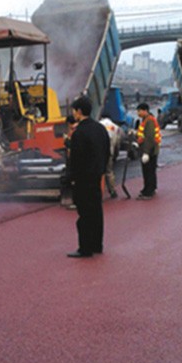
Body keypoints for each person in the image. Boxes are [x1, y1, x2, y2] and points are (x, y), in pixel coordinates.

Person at [67, 95, 110, 258]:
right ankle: (97, 245)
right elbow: (107, 152)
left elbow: (76, 160)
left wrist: (71, 177)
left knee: (84, 215)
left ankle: (85, 248)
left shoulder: (79, 133)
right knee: (96, 212)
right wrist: (102, 170)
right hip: (96, 177)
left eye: (74, 111)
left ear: (78, 111)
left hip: (83, 180)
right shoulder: (100, 129)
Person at [135, 102, 162, 200]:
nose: (138, 113)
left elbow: (149, 138)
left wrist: (146, 152)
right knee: (150, 170)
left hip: (150, 150)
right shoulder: (145, 120)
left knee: (148, 171)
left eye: (139, 111)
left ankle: (148, 191)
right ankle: (150, 188)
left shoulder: (149, 121)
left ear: (145, 111)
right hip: (151, 149)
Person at [99, 117, 123, 199]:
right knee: (109, 171)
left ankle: (99, 192)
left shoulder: (98, 126)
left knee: (98, 173)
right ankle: (112, 191)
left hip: (99, 153)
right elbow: (118, 142)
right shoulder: (115, 127)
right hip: (109, 152)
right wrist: (115, 154)